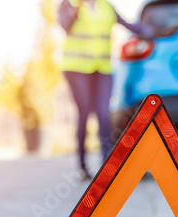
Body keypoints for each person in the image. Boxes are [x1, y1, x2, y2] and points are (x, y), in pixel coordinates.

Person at [58, 0, 155, 180]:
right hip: (76, 68)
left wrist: (153, 31)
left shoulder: (106, 6)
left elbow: (129, 25)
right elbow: (65, 25)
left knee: (103, 113)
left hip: (102, 68)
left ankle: (107, 165)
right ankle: (82, 165)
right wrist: (75, 10)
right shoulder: (68, 3)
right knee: (85, 111)